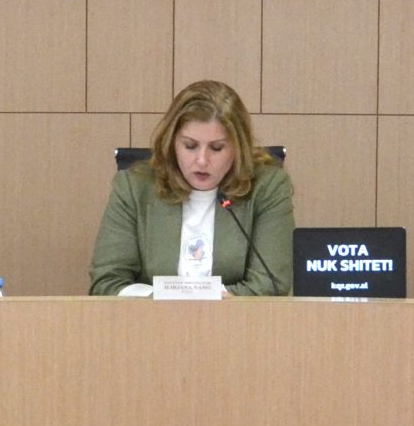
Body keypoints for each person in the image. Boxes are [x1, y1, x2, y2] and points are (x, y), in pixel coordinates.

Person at [88, 79, 294, 296]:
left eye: (217, 148)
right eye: (190, 146)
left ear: (238, 148)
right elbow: (106, 283)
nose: (202, 160)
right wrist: (169, 302)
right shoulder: (134, 188)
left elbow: (271, 283)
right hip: (149, 317)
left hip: (238, 318)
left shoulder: (267, 187)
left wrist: (196, 301)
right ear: (171, 143)